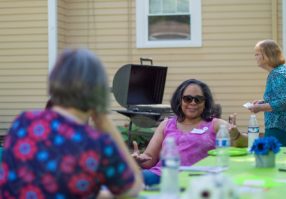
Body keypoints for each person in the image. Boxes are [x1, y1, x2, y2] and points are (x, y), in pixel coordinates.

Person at [0, 49, 143, 198]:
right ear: (98, 91)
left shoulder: (23, 122)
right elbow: (132, 189)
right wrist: (106, 125)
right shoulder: (97, 143)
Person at [132, 79, 248, 185]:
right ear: (179, 100)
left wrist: (236, 135)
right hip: (161, 176)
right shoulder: (166, 124)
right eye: (187, 98)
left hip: (195, 180)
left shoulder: (215, 124)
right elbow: (149, 158)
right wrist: (138, 159)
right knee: (126, 181)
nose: (193, 103)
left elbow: (246, 143)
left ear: (205, 103)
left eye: (198, 99)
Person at [249, 39, 286, 146]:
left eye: (257, 54)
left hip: (278, 129)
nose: (255, 57)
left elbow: (285, 101)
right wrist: (263, 102)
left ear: (266, 55)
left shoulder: (276, 74)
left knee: (269, 161)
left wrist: (259, 108)